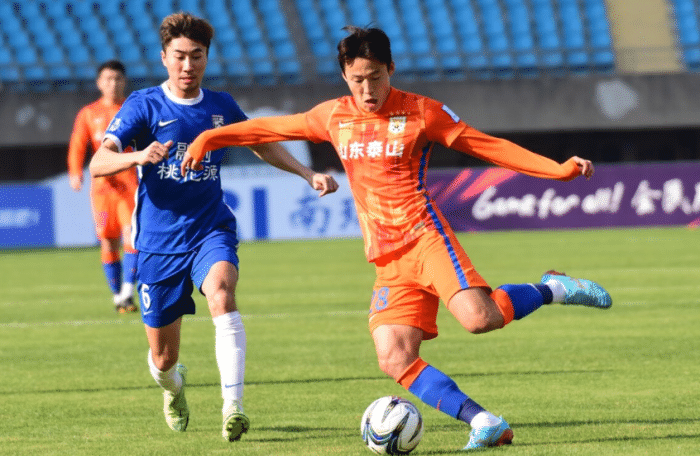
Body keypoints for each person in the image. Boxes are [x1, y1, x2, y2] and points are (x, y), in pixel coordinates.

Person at [182, 26, 613, 451]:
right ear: (344, 76)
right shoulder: (333, 116)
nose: (367, 89)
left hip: (426, 239)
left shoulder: (422, 112)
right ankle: (484, 422)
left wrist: (557, 169)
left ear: (391, 68)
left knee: (479, 320)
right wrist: (208, 138)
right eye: (357, 80)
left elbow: (486, 146)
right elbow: (265, 129)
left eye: (375, 77)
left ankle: (553, 288)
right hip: (387, 258)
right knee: (394, 356)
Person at [88, 12, 338, 442]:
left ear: (206, 58)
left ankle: (232, 406)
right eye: (179, 56)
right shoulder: (144, 105)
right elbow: (98, 162)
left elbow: (260, 144)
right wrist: (137, 155)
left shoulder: (221, 106)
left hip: (210, 229)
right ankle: (173, 389)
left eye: (197, 56)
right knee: (163, 360)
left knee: (222, 294)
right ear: (164, 57)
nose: (188, 65)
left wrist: (306, 173)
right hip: (158, 243)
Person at [67, 60, 138, 313]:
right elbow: (78, 143)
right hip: (102, 187)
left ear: (124, 81)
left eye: (118, 78)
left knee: (132, 235)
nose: (113, 83)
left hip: (129, 183)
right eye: (108, 79)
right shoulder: (89, 113)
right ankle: (118, 295)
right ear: (99, 83)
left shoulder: (133, 108)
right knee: (108, 241)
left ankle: (127, 292)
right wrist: (75, 171)